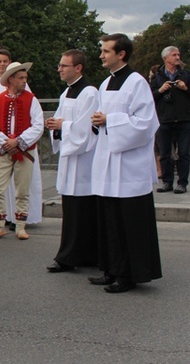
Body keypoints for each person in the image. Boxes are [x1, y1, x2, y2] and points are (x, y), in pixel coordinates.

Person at [89, 33, 162, 293]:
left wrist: (110, 120)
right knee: (110, 219)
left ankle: (129, 275)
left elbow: (146, 124)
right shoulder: (105, 83)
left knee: (128, 221)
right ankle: (111, 269)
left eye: (107, 51)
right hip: (108, 161)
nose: (101, 55)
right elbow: (100, 117)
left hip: (129, 164)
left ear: (121, 54)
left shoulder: (136, 82)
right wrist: (97, 121)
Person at [45, 50, 99, 272]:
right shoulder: (67, 92)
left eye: (64, 65)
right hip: (70, 161)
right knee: (72, 211)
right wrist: (54, 125)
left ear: (78, 68)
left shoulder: (90, 93)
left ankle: (74, 257)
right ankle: (75, 254)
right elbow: (62, 119)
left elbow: (87, 128)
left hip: (84, 161)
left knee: (84, 211)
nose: (59, 69)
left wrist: (62, 127)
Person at [0, 50, 43, 224]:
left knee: (22, 185)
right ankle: (3, 218)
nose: (2, 64)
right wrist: (2, 139)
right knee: (0, 185)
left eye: (5, 61)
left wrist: (18, 141)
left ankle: (21, 219)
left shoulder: (23, 87)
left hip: (22, 144)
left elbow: (33, 117)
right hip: (1, 143)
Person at [150, 46, 190, 194]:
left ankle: (182, 183)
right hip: (165, 119)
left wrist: (185, 88)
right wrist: (160, 90)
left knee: (184, 152)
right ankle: (167, 182)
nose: (178, 57)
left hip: (184, 118)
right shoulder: (157, 77)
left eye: (178, 54)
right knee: (165, 153)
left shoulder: (186, 74)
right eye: (174, 55)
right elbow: (148, 97)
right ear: (165, 58)